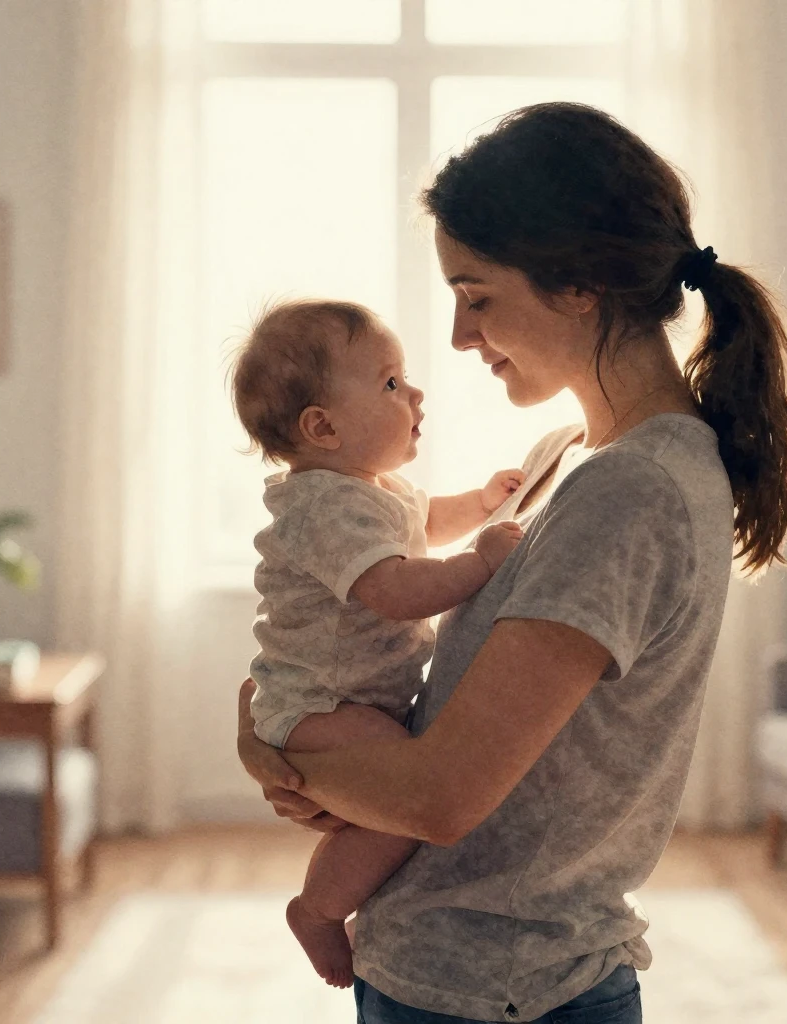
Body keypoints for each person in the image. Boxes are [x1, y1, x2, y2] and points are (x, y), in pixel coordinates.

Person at [237, 101, 787, 1024]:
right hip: (443, 967)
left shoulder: (636, 491)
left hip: (499, 988)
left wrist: (269, 753)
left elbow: (438, 797)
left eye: (478, 296)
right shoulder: (564, 458)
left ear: (579, 285)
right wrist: (313, 758)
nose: (461, 338)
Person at [230, 297, 527, 989]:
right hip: (318, 705)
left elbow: (423, 523)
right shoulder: (322, 506)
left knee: (396, 797)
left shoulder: (374, 489)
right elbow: (392, 587)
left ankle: (347, 889)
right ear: (323, 426)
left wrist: (480, 504)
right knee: (408, 802)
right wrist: (478, 566)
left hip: (349, 699)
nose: (414, 391)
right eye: (391, 384)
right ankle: (319, 911)